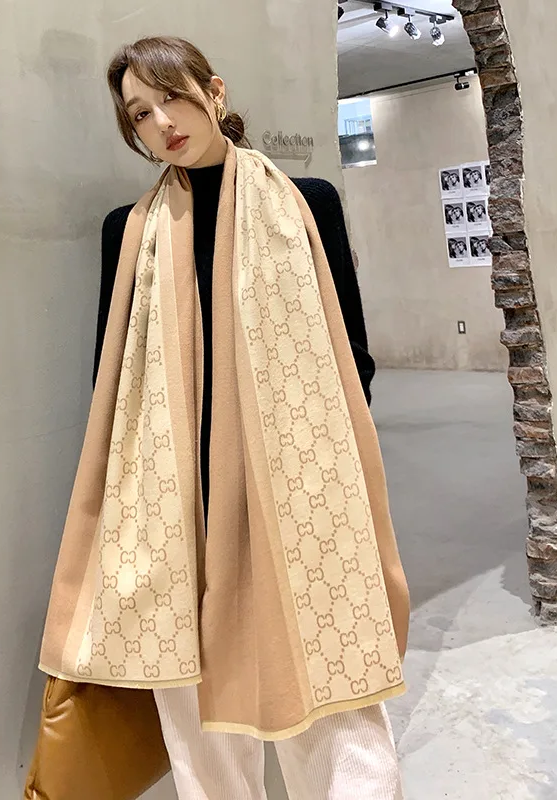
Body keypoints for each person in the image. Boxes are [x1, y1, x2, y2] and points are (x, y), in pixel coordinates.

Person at [35, 36, 409, 800]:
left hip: (295, 503)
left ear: (214, 91)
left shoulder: (306, 202)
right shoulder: (127, 231)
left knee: (340, 720)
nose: (162, 122)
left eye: (172, 96)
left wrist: (307, 471)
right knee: (201, 743)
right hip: (174, 514)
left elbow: (354, 358)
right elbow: (114, 384)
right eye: (141, 113)